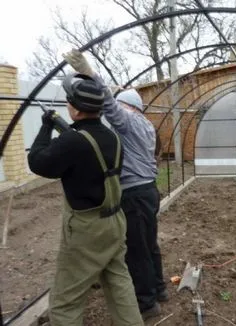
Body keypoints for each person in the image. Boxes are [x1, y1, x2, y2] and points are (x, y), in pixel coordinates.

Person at [27, 73, 144, 326]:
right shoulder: (113, 137)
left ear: (77, 111)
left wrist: (47, 125)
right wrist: (68, 132)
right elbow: (86, 147)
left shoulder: (72, 141)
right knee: (119, 285)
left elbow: (38, 162)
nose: (67, 105)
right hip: (115, 221)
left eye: (70, 101)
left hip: (87, 231)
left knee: (65, 301)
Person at [63, 49, 167, 320]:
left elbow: (109, 104)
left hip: (133, 195)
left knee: (137, 250)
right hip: (149, 191)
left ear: (127, 107)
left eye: (120, 106)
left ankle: (146, 303)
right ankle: (159, 288)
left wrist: (90, 73)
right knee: (149, 244)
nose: (114, 112)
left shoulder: (129, 121)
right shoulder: (145, 124)